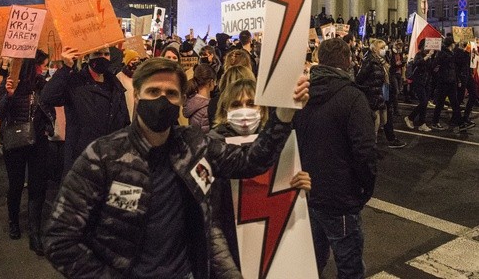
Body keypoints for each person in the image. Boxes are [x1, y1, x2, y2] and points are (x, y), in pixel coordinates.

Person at [43, 57, 309, 278]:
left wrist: (283, 116)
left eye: (171, 94)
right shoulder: (103, 156)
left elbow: (250, 160)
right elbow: (59, 239)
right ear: (137, 95)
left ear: (183, 99)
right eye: (153, 92)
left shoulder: (194, 146)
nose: (162, 100)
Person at [208, 78, 311, 276]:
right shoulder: (212, 149)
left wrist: (301, 189)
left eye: (251, 103)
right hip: (231, 249)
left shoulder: (280, 144)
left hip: (268, 250)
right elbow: (212, 220)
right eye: (237, 104)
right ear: (224, 111)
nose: (245, 110)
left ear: (262, 110)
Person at [293, 38, 377, 279]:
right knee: (349, 266)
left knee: (311, 262)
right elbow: (365, 151)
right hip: (340, 197)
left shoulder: (301, 95)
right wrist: (365, 189)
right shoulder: (352, 97)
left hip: (308, 194)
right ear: (348, 61)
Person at [0, 50, 53, 255]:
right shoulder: (10, 83)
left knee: (37, 186)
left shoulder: (43, 85)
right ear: (33, 65)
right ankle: (13, 221)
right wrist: (9, 96)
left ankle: (35, 231)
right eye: (42, 65)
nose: (45, 69)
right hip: (16, 141)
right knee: (16, 185)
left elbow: (51, 107)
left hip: (38, 142)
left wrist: (49, 124)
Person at [41, 46, 130, 176]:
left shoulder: (115, 84)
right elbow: (47, 97)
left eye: (106, 54)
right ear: (87, 57)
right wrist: (66, 68)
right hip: (82, 158)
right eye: (98, 53)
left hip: (110, 158)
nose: (103, 57)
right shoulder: (75, 82)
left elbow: (124, 120)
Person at [356, 39, 406, 148]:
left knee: (384, 119)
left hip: (383, 93)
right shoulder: (370, 61)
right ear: (374, 49)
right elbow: (359, 79)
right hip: (374, 95)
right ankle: (371, 147)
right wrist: (370, 89)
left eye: (384, 47)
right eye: (381, 48)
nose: (384, 50)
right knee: (375, 123)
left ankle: (387, 140)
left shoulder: (381, 60)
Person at [430, 37, 474, 132]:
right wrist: (466, 52)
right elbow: (436, 66)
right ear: (451, 44)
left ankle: (461, 124)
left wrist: (457, 80)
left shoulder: (451, 53)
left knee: (455, 104)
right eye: (453, 43)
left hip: (451, 81)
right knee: (441, 103)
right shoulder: (443, 54)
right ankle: (435, 122)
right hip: (444, 82)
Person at [404, 39, 434, 132]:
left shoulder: (429, 56)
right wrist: (428, 56)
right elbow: (417, 63)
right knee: (424, 102)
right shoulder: (419, 54)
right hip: (418, 81)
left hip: (426, 82)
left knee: (424, 103)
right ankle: (410, 117)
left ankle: (422, 123)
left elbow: (430, 68)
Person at [183, 64, 217, 133]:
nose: (215, 84)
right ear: (211, 82)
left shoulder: (192, 100)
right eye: (215, 82)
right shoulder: (206, 108)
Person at [116, 49, 142, 120]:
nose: (136, 62)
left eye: (138, 59)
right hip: (125, 109)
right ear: (128, 62)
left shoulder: (140, 76)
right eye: (133, 60)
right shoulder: (120, 76)